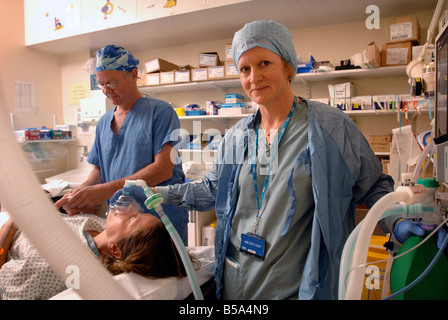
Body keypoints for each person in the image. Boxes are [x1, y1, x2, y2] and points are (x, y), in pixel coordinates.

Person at [150, 20, 395, 299]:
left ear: (288, 66)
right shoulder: (237, 136)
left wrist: (399, 224)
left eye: (264, 63)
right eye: (245, 69)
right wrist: (157, 193)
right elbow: (212, 189)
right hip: (237, 281)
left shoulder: (330, 128)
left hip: (297, 286)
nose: (254, 77)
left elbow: (374, 187)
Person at [55, 44, 188, 244]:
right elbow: (99, 171)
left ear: (133, 75)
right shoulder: (103, 122)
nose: (106, 91)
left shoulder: (160, 112)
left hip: (159, 220)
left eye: (112, 83)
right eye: (101, 84)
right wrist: (80, 194)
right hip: (120, 223)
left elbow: (163, 170)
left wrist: (105, 191)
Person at [0, 189, 198, 300]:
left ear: (115, 249)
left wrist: (15, 220)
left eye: (131, 219)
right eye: (139, 212)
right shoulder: (101, 229)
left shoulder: (51, 264)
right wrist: (81, 213)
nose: (130, 207)